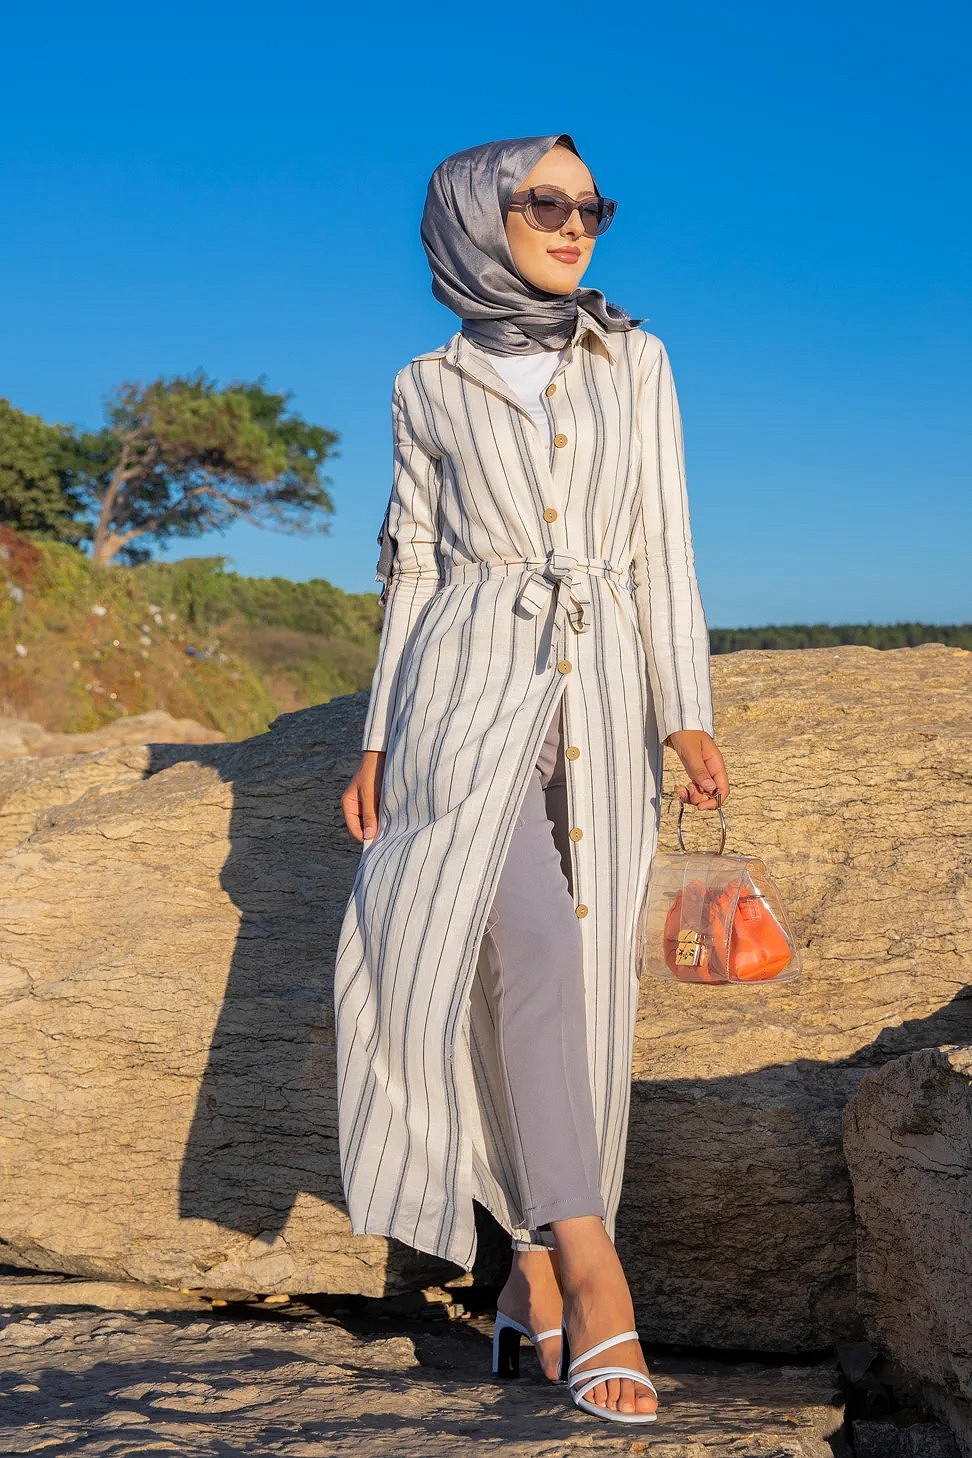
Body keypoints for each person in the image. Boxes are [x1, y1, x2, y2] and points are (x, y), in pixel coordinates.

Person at [335, 131, 730, 1426]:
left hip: (604, 697)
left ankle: (529, 1274)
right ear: (475, 218)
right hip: (460, 700)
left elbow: (666, 542)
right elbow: (416, 569)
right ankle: (598, 1272)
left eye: (591, 205)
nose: (575, 224)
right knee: (537, 953)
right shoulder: (427, 386)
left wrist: (686, 709)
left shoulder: (636, 359)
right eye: (544, 201)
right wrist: (378, 737)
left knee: (584, 983)